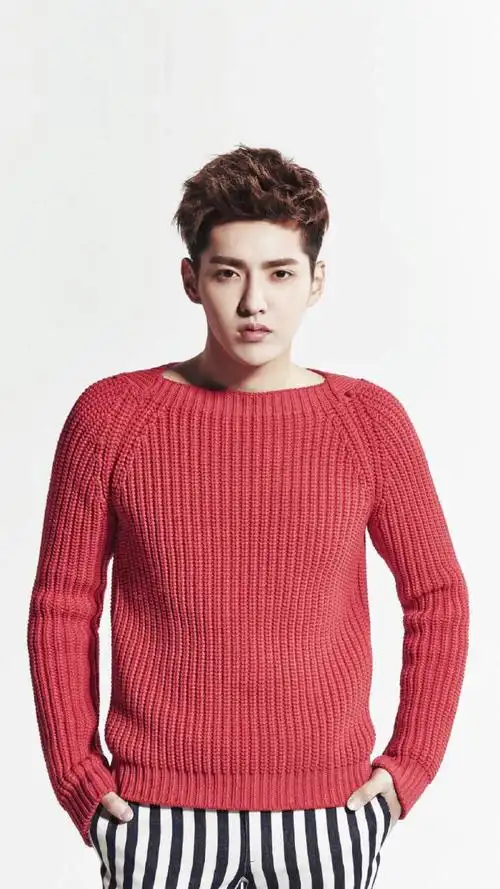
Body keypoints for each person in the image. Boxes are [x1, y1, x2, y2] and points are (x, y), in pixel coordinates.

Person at [27, 144, 469, 888]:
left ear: (316, 281)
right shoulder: (113, 419)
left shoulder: (368, 422)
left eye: (280, 273)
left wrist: (411, 765)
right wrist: (76, 771)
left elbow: (438, 597)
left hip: (329, 813)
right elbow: (62, 607)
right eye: (229, 272)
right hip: (154, 814)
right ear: (191, 279)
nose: (254, 301)